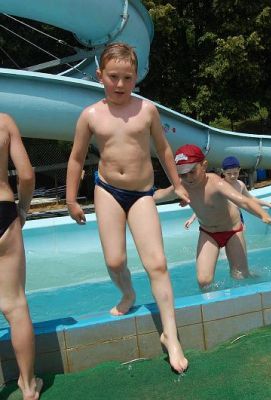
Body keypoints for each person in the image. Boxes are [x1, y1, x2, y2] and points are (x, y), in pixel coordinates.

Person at [66, 43, 189, 373]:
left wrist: (177, 184)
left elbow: (163, 149)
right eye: (113, 77)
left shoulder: (146, 110)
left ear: (136, 78)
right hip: (107, 190)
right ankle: (128, 293)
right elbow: (76, 158)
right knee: (115, 260)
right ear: (100, 76)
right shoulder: (90, 115)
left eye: (127, 78)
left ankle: (171, 335)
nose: (120, 84)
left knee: (158, 263)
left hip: (141, 193)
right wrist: (71, 199)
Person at [154, 144, 271, 288]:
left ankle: (254, 278)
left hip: (232, 231)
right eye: (183, 174)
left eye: (192, 171)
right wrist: (141, 197)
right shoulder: (181, 186)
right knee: (204, 281)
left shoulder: (215, 183)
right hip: (208, 233)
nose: (188, 177)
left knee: (240, 276)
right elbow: (159, 195)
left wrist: (264, 216)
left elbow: (243, 201)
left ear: (204, 166)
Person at [0, 114, 42, 399]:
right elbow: (26, 176)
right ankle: (28, 386)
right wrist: (23, 210)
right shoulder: (4, 122)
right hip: (2, 210)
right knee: (15, 305)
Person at [184, 155, 271, 229]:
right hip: (222, 219)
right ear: (223, 172)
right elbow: (204, 204)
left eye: (235, 173)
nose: (233, 176)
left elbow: (251, 199)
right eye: (229, 173)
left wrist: (268, 204)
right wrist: (192, 218)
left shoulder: (240, 185)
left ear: (239, 170)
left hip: (237, 217)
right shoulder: (219, 185)